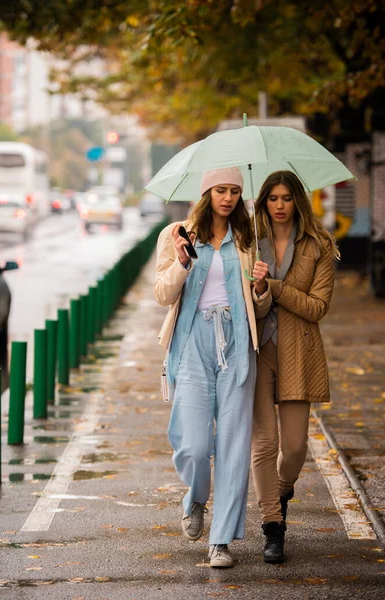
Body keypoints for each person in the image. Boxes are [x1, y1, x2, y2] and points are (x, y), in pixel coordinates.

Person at [153, 167, 271, 568]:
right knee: (194, 444)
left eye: (235, 191)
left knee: (235, 445)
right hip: (191, 343)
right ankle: (196, 497)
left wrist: (260, 289)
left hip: (238, 344)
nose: (229, 198)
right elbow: (161, 294)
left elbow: (260, 307)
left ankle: (220, 541)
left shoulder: (248, 237)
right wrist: (182, 263)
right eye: (221, 190)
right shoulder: (176, 234)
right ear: (206, 193)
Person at [251, 170, 339, 564]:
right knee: (265, 444)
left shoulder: (318, 246)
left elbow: (317, 308)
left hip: (297, 352)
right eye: (273, 198)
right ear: (264, 202)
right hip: (255, 351)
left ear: (297, 200)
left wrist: (276, 286)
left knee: (296, 446)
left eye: (287, 197)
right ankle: (273, 526)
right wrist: (257, 290)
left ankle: (282, 489)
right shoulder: (248, 242)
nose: (280, 205)